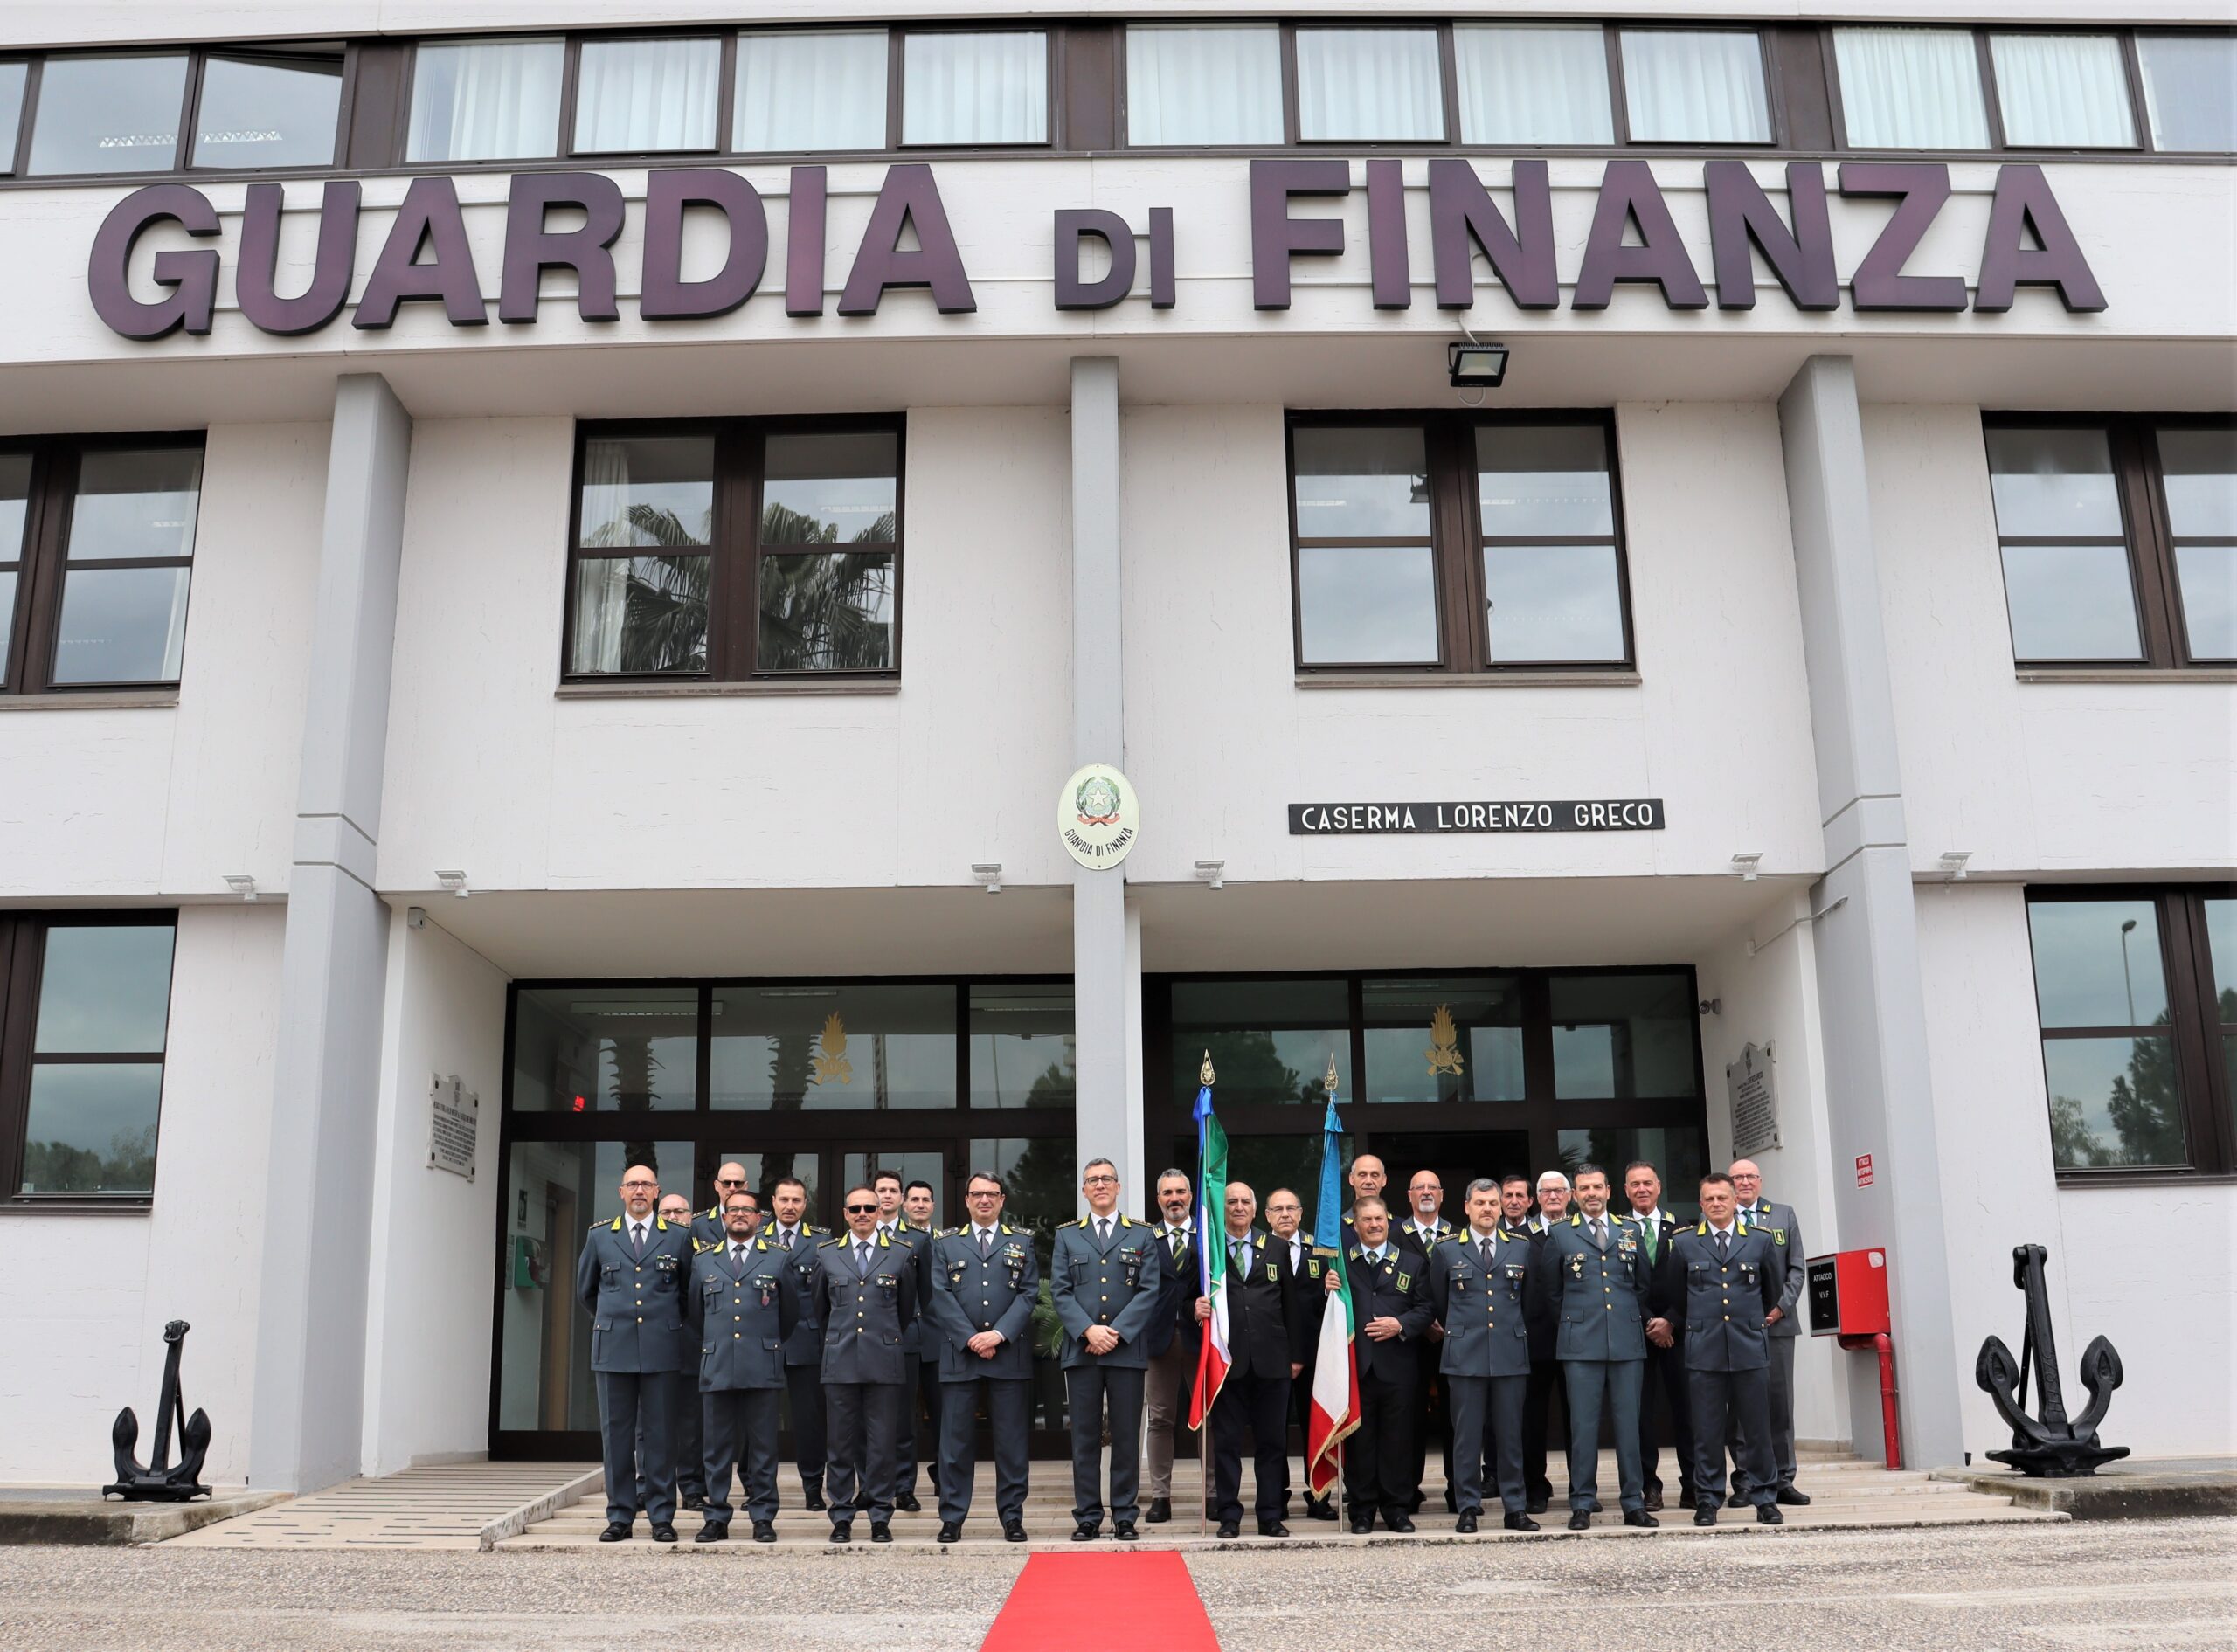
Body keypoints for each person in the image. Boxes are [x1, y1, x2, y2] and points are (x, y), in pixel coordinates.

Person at [1527, 1165, 1659, 1530]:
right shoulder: (1560, 1233)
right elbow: (1551, 1291)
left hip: (1626, 1342)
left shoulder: (1629, 1230)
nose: (1591, 1193)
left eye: (1597, 1186)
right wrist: (1575, 1322)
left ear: (1608, 1189)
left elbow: (1641, 1285)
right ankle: (1582, 1502)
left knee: (1628, 1426)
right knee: (1583, 1427)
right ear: (1575, 1194)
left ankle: (1633, 1502)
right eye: (1584, 1188)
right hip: (1580, 1344)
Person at [574, 1163, 694, 1543]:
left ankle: (661, 1515)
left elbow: (687, 1293)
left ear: (657, 1191)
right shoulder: (600, 1237)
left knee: (660, 1436)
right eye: (632, 1184)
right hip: (614, 1347)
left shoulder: (676, 1237)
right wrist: (617, 1319)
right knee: (617, 1436)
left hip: (662, 1347)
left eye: (646, 1184)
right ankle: (620, 1516)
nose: (639, 1190)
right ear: (621, 1192)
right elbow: (586, 1291)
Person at [1050, 1158, 1162, 1541]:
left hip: (1124, 1349)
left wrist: (1115, 1332)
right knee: (1083, 1436)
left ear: (1118, 1187)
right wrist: (1087, 1331)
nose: (1099, 1185)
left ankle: (1125, 1514)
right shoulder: (1067, 1236)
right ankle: (1087, 1515)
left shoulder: (1142, 1235)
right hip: (1082, 1351)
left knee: (1126, 1435)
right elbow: (1060, 1291)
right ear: (1084, 1190)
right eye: (1092, 1180)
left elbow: (1149, 1290)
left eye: (1106, 1179)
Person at [1193, 1182, 1311, 1539]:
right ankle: (1229, 1515)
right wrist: (1193, 1308)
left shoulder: (1274, 1246)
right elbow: (1188, 1297)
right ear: (1222, 1208)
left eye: (1246, 1201)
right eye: (1232, 1202)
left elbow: (1291, 1305)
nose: (1239, 1207)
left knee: (1272, 1443)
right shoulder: (1209, 1250)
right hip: (1228, 1362)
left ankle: (1270, 1515)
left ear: (1256, 1209)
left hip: (1273, 1363)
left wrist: (1296, 1356)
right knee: (1227, 1443)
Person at [925, 1171, 1036, 1544]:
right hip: (961, 1354)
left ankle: (1012, 1517)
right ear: (967, 1200)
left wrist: (997, 1335)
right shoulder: (946, 1244)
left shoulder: (1022, 1241)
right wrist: (971, 1338)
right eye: (977, 1194)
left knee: (1011, 1443)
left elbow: (1027, 1294)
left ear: (1003, 1200)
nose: (984, 1200)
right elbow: (940, 1295)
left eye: (992, 1194)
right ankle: (953, 1517)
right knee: (955, 1444)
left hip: (1008, 1355)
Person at [1667, 1172, 1782, 1526]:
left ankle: (1765, 1497)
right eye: (1709, 1199)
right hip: (1705, 1349)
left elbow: (1772, 1290)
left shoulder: (1760, 1242)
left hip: (1748, 1347)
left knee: (1757, 1428)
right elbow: (1676, 1296)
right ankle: (1708, 1499)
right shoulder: (1685, 1243)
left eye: (1722, 1198)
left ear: (1735, 1201)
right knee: (1707, 1429)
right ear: (1701, 1205)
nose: (1717, 1204)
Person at [684, 1191, 799, 1544]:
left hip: (762, 1364)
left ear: (759, 1218)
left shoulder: (778, 1259)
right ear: (723, 1218)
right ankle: (716, 1516)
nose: (739, 1215)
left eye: (746, 1210)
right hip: (717, 1364)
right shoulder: (704, 1261)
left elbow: (790, 1314)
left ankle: (763, 1516)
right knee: (716, 1449)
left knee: (763, 1448)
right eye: (732, 1210)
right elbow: (695, 1313)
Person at [1429, 1179, 1538, 1533]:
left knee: (1511, 1435)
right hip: (1464, 1354)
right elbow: (1440, 1303)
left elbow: (1529, 1301)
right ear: (1466, 1207)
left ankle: (1515, 1507)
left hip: (1509, 1352)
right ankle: (1468, 1508)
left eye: (1493, 1203)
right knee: (1466, 1437)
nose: (1488, 1209)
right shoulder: (1446, 1250)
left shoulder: (1520, 1248)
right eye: (1480, 1203)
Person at [811, 1185, 918, 1544]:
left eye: (869, 1208)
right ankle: (841, 1515)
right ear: (844, 1213)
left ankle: (879, 1515)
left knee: (882, 1443)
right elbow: (818, 1311)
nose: (862, 1214)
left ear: (879, 1212)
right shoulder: (827, 1254)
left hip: (883, 1361)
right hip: (840, 1360)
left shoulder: (900, 1254)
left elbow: (905, 1309)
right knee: (840, 1444)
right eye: (855, 1208)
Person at [1340, 1196, 1434, 1533]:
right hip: (1358, 1368)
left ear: (1388, 1220)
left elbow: (1426, 1309)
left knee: (1398, 1441)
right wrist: (1326, 1290)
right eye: (1367, 1219)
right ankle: (1362, 1511)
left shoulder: (1411, 1262)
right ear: (1356, 1224)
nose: (1375, 1224)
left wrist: (1401, 1325)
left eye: (1380, 1218)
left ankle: (1397, 1509)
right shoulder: (1341, 1264)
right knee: (1360, 1443)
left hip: (1399, 1368)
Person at [1728, 1158, 1810, 1508]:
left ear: (1760, 1181)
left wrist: (1781, 1307)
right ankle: (1745, 1479)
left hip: (1777, 1326)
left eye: (1750, 1176)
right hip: (1735, 1329)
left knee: (1780, 1406)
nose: (1744, 1182)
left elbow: (1796, 1268)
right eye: (1738, 1177)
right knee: (1742, 1407)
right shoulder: (1717, 1215)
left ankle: (1783, 1479)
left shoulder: (1783, 1215)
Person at [1623, 1159, 1694, 1512]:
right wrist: (1651, 1321)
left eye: (1647, 1183)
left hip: (1678, 1335)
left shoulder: (1682, 1230)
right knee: (1641, 1416)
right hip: (1636, 1334)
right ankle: (1649, 1485)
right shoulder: (1618, 1232)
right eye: (1634, 1184)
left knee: (1689, 1411)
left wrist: (1671, 1321)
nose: (1642, 1189)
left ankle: (1693, 1484)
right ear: (1625, 1191)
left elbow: (1693, 1283)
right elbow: (1621, 1286)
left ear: (1659, 1186)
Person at [1264, 1187, 1333, 1522]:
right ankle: (1276, 1496)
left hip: (1316, 1356)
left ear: (1302, 1213)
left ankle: (1319, 1495)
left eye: (1292, 1208)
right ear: (1267, 1216)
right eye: (1278, 1209)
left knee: (1316, 1427)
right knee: (1273, 1429)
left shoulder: (1322, 1250)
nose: (1285, 1214)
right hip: (1271, 1355)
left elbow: (1326, 1307)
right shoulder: (1258, 1249)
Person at [869, 1169, 932, 1514]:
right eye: (882, 1190)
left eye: (894, 1191)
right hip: (863, 1341)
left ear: (902, 1199)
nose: (887, 1196)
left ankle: (904, 1487)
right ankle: (870, 1484)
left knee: (904, 1417)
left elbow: (925, 1293)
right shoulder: (856, 1233)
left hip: (904, 1336)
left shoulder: (918, 1240)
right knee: (868, 1416)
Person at [763, 1176, 828, 1510]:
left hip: (806, 1343)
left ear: (805, 1205)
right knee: (759, 1421)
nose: (790, 1206)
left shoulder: (822, 1242)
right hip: (762, 1343)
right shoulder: (755, 1239)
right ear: (773, 1202)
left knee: (809, 1421)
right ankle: (758, 1488)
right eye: (784, 1200)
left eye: (797, 1201)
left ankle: (813, 1487)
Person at [1142, 1168, 1200, 1524]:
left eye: (1180, 1192)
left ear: (1190, 1196)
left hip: (1201, 1337)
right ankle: (1160, 1496)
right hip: (1158, 1339)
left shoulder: (1208, 1235)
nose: (1174, 1198)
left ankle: (1213, 1492)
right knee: (1160, 1419)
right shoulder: (1146, 1239)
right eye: (1167, 1193)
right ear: (1158, 1199)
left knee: (1207, 1418)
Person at [1400, 1169, 1456, 1515]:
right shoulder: (1394, 1234)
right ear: (1409, 1195)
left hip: (1453, 1340)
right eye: (1419, 1187)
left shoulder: (1457, 1236)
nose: (1425, 1192)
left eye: (1432, 1187)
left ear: (1442, 1194)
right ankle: (1408, 1489)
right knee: (1410, 1418)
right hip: (1409, 1343)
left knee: (1456, 1418)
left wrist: (1445, 1324)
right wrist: (1421, 1324)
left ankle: (1458, 1488)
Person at [1520, 1171, 1571, 1512]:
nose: (1553, 1196)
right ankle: (1535, 1488)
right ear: (1536, 1198)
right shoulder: (1519, 1236)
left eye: (1559, 1191)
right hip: (1533, 1340)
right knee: (1532, 1419)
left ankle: (1582, 1487)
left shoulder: (1582, 1230)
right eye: (1546, 1191)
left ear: (1570, 1196)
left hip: (1577, 1339)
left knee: (1578, 1418)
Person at [655, 1193, 710, 1513]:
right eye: (667, 1211)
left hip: (691, 1344)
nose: (674, 1216)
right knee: (649, 1424)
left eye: (680, 1211)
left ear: (691, 1217)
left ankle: (691, 1488)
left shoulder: (703, 1253)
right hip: (652, 1344)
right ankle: (646, 1486)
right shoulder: (649, 1245)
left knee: (691, 1425)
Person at [904, 1177, 943, 1479]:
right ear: (905, 1205)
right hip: (903, 1337)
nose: (919, 1204)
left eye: (925, 1199)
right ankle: (903, 1483)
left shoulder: (946, 1241)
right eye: (914, 1199)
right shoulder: (896, 1243)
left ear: (932, 1205)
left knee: (943, 1415)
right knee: (904, 1415)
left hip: (939, 1338)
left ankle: (944, 1476)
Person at [691, 1163, 756, 1247]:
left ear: (746, 1186)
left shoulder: (763, 1220)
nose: (732, 1188)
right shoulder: (698, 1224)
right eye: (726, 1183)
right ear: (716, 1185)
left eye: (737, 1183)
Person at [1341, 1154, 1387, 1228]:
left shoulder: (1398, 1228)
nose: (1368, 1181)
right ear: (1352, 1179)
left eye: (1374, 1175)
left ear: (1384, 1180)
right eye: (1362, 1175)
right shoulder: (1337, 1229)